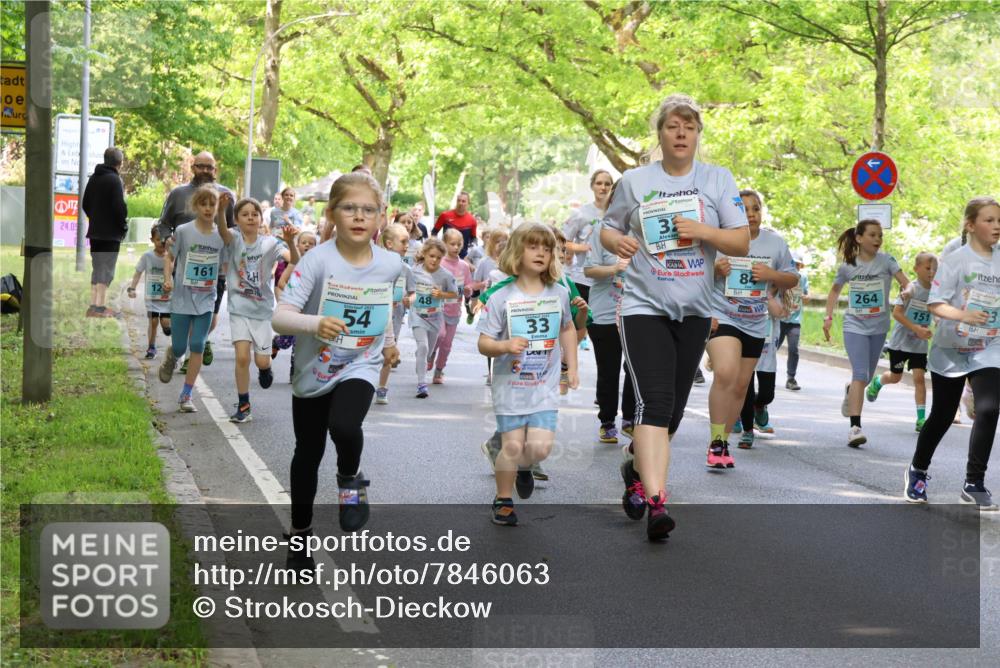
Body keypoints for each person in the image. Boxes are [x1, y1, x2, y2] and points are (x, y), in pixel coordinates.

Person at [600, 93, 749, 540]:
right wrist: (617, 242)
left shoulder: (717, 179)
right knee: (654, 403)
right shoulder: (635, 180)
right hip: (643, 307)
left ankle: (635, 466)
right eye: (672, 126)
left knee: (673, 415)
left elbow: (740, 241)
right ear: (660, 133)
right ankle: (657, 503)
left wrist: (703, 231)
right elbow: (609, 227)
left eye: (689, 126)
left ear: (698, 133)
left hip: (696, 310)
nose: (681, 133)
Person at [272, 173, 404, 568]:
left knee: (345, 427)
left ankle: (350, 481)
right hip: (314, 366)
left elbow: (382, 305)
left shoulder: (391, 263)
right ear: (331, 214)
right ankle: (300, 537)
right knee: (308, 453)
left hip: (360, 362)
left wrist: (389, 342)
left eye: (368, 210)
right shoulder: (318, 259)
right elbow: (280, 317)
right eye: (349, 208)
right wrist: (316, 323)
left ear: (381, 217)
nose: (359, 216)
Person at [477, 223, 578, 526]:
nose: (541, 253)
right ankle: (503, 499)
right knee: (512, 445)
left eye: (547, 248)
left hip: (544, 386)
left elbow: (568, 328)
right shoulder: (500, 297)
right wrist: (504, 345)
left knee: (540, 449)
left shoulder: (559, 293)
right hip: (510, 386)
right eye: (533, 247)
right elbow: (483, 343)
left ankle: (522, 466)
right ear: (516, 252)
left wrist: (572, 366)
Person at [905, 196, 1000, 509]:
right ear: (971, 225)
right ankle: (918, 469)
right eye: (989, 220)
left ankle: (974, 481)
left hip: (989, 346)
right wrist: (964, 315)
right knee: (943, 415)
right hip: (952, 347)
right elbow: (935, 303)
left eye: (999, 220)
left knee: (988, 408)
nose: (996, 226)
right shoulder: (955, 258)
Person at [706, 189, 797, 469]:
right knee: (725, 372)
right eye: (743, 209)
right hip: (722, 315)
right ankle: (715, 442)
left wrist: (771, 275)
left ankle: (723, 442)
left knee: (741, 385)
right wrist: (714, 271)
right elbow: (693, 275)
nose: (751, 214)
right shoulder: (719, 239)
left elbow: (792, 278)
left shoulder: (774, 243)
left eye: (755, 208)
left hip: (756, 321)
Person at [823, 219, 909, 447]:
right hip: (854, 326)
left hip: (878, 327)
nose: (878, 239)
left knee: (866, 377)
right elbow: (834, 291)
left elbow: (906, 282)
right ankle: (855, 428)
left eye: (880, 235)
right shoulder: (848, 266)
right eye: (872, 235)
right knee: (861, 374)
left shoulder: (887, 261)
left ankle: (851, 390)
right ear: (859, 238)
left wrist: (908, 291)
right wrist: (828, 318)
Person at [216, 194, 299, 423]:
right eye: (245, 214)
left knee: (261, 360)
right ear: (237, 220)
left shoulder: (270, 243)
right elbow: (222, 231)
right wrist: (221, 211)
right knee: (242, 357)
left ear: (261, 219)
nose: (251, 218)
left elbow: (294, 259)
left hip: (261, 311)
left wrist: (291, 242)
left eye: (255, 214)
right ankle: (244, 405)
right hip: (239, 308)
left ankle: (265, 368)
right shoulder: (233, 238)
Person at [157, 151, 236, 368]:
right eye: (201, 166)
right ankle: (184, 350)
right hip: (184, 267)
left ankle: (195, 348)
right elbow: (163, 224)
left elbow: (233, 229)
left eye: (209, 167)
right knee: (183, 316)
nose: (205, 171)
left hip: (214, 269)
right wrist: (166, 238)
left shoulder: (226, 196)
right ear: (193, 168)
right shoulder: (178, 194)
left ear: (215, 170)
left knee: (209, 317)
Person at [157, 185, 226, 412]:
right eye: (203, 204)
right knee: (179, 347)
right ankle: (172, 355)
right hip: (182, 298)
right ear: (195, 206)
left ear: (218, 208)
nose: (208, 208)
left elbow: (227, 263)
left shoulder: (221, 235)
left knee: (197, 344)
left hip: (206, 298)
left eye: (212, 204)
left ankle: (186, 395)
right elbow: (169, 257)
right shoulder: (184, 231)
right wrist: (167, 279)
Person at [865, 252, 938, 431]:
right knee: (895, 377)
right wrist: (916, 328)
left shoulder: (937, 292)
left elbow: (936, 312)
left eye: (935, 269)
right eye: (928, 268)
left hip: (919, 345)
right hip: (900, 342)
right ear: (916, 269)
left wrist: (937, 322)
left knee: (919, 379)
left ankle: (921, 419)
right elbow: (897, 313)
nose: (932, 272)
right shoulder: (910, 289)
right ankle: (878, 382)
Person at [584, 216, 634, 443]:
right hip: (604, 312)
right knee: (608, 370)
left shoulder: (644, 229)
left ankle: (630, 419)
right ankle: (607, 422)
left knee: (635, 368)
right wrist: (615, 268)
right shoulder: (600, 231)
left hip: (637, 310)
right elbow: (588, 270)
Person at [82, 147, 128, 318]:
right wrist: (123, 226)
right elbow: (119, 208)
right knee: (106, 270)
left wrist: (96, 219)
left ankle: (93, 306)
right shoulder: (115, 180)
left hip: (95, 233)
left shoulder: (94, 178)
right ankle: (100, 308)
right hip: (110, 235)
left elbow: (85, 204)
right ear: (119, 163)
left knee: (98, 268)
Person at [737, 290, 786, 448]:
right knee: (746, 391)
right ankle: (748, 431)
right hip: (746, 342)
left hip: (766, 349)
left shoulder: (776, 291)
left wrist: (767, 295)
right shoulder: (743, 288)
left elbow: (780, 313)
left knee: (767, 395)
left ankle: (758, 405)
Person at [410, 238, 458, 398]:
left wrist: (442, 294)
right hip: (417, 315)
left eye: (438, 257)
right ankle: (422, 384)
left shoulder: (445, 275)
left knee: (428, 351)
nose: (434, 260)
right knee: (423, 347)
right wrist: (407, 298)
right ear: (424, 254)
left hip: (435, 317)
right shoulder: (414, 271)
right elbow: (408, 290)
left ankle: (421, 358)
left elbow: (454, 294)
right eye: (431, 256)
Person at [375, 224, 415, 405]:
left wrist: (409, 299)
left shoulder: (405, 268)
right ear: (389, 244)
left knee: (388, 352)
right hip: (374, 313)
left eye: (408, 242)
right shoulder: (376, 262)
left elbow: (413, 292)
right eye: (403, 241)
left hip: (392, 315)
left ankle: (382, 387)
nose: (407, 246)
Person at [272, 230, 318, 381]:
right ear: (298, 245)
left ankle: (295, 372)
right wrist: (295, 294)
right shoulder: (295, 263)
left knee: (300, 342)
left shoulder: (318, 265)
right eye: (304, 243)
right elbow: (281, 283)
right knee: (286, 341)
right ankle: (276, 342)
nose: (307, 245)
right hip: (294, 306)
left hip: (308, 310)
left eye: (311, 244)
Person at [429, 229, 473, 384]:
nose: (456, 247)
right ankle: (431, 353)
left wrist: (468, 291)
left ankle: (439, 370)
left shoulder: (464, 266)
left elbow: (468, 287)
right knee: (439, 335)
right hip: (438, 308)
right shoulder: (439, 263)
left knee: (447, 344)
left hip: (454, 311)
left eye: (459, 244)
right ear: (445, 244)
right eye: (452, 244)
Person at [126, 226, 171, 358]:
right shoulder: (147, 256)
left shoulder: (171, 256)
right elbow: (138, 273)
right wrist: (132, 288)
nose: (161, 242)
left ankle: (167, 328)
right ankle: (151, 347)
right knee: (153, 321)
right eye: (158, 239)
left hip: (167, 297)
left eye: (164, 240)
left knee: (165, 322)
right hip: (152, 297)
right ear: (152, 240)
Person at [777, 250, 808, 390]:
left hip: (795, 320)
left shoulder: (803, 278)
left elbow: (806, 295)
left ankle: (791, 378)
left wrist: (805, 298)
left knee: (794, 349)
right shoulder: (783, 276)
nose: (796, 267)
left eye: (798, 265)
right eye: (793, 264)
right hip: (780, 319)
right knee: (772, 347)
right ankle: (762, 372)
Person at [433, 191, 478, 258]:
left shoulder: (472, 221)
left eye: (463, 201)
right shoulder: (444, 215)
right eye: (458, 200)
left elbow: (473, 239)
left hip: (462, 257)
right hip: (445, 255)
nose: (460, 203)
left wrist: (471, 252)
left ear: (468, 203)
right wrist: (436, 247)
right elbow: (434, 233)